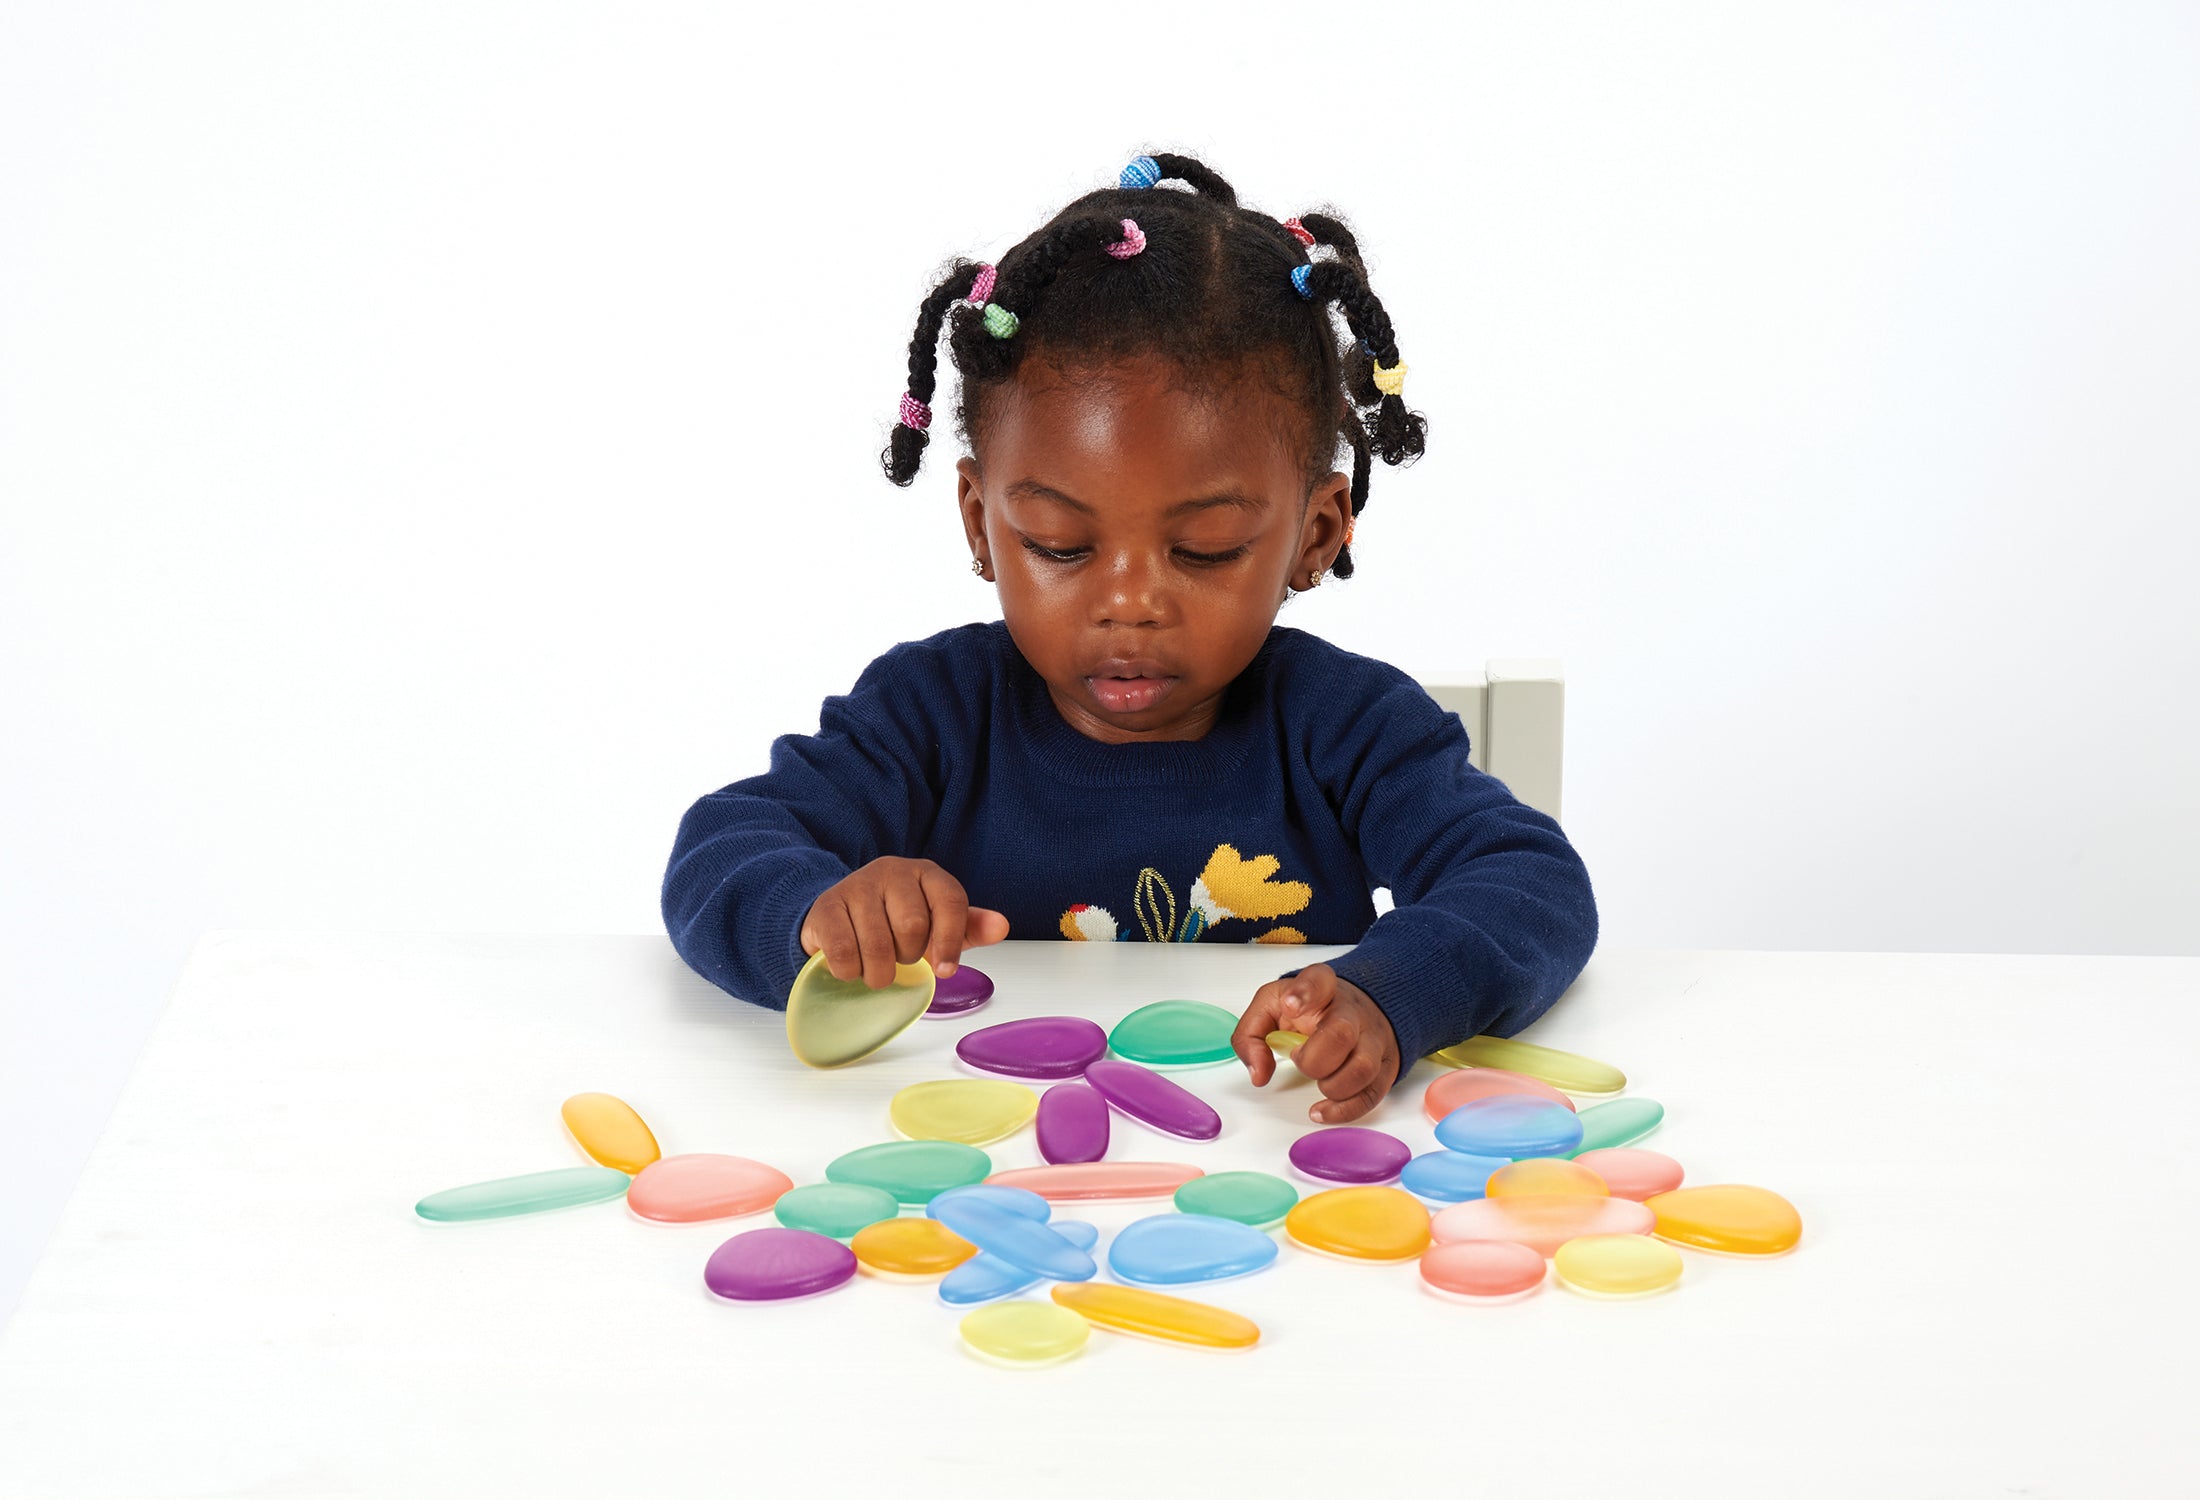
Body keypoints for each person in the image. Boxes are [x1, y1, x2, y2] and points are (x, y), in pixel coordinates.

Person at [662, 152, 1598, 1124]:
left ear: (1314, 534)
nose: (1130, 602)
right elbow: (719, 848)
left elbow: (1528, 880)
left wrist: (1391, 990)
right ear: (982, 524)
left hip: (1272, 1172)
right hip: (983, 1173)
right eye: (1062, 545)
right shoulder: (927, 716)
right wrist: (818, 912)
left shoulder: (1349, 728)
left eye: (1203, 549)